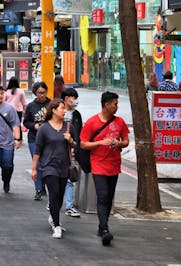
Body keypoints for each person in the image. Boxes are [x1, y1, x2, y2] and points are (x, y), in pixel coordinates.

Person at [80, 91, 130, 246]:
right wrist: (100, 143)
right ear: (107, 105)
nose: (117, 107)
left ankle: (103, 225)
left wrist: (119, 143)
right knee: (102, 195)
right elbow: (83, 144)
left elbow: (126, 141)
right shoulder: (92, 122)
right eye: (115, 104)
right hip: (98, 164)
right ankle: (104, 229)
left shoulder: (120, 122)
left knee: (109, 197)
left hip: (114, 164)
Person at [32, 99, 77, 239]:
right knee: (54, 193)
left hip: (63, 166)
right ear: (53, 110)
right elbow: (37, 150)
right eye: (62, 108)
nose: (64, 111)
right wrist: (34, 169)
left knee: (59, 197)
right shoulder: (44, 128)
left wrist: (70, 140)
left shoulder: (68, 127)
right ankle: (57, 226)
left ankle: (53, 215)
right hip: (48, 167)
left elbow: (76, 144)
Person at [24, 81, 51, 200]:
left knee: (47, 163)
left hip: (49, 139)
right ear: (35, 93)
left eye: (44, 92)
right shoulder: (31, 106)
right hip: (34, 138)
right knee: (38, 163)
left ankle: (44, 184)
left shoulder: (52, 104)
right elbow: (26, 121)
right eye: (39, 93)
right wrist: (33, 126)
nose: (42, 95)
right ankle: (38, 188)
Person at [62, 87, 83, 218]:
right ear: (65, 98)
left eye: (75, 98)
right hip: (56, 150)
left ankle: (69, 206)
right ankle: (55, 201)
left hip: (71, 149)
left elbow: (79, 133)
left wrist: (76, 145)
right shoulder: (58, 110)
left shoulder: (76, 115)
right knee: (57, 178)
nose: (74, 100)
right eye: (72, 97)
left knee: (69, 178)